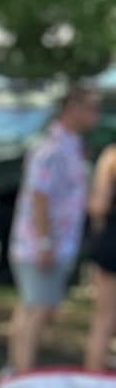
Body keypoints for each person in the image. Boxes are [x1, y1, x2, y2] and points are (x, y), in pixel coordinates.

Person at [7, 83, 99, 374]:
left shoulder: (72, 147)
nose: (95, 116)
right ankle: (22, 371)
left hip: (60, 241)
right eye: (91, 108)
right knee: (36, 308)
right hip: (40, 244)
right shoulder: (50, 149)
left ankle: (18, 366)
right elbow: (39, 196)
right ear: (72, 109)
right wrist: (45, 242)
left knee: (37, 306)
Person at [84, 132, 116, 372]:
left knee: (103, 320)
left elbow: (98, 206)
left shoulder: (111, 157)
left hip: (112, 244)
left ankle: (94, 384)